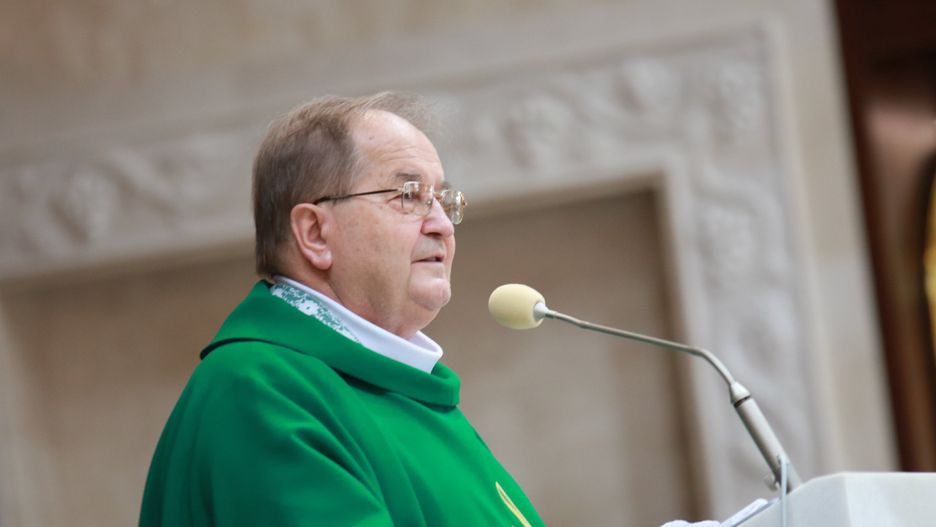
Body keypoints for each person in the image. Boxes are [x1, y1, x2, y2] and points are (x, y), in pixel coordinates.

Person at [140, 92, 545, 526]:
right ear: (315, 233)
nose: (443, 226)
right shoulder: (262, 393)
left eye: (444, 201)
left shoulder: (409, 395)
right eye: (409, 196)